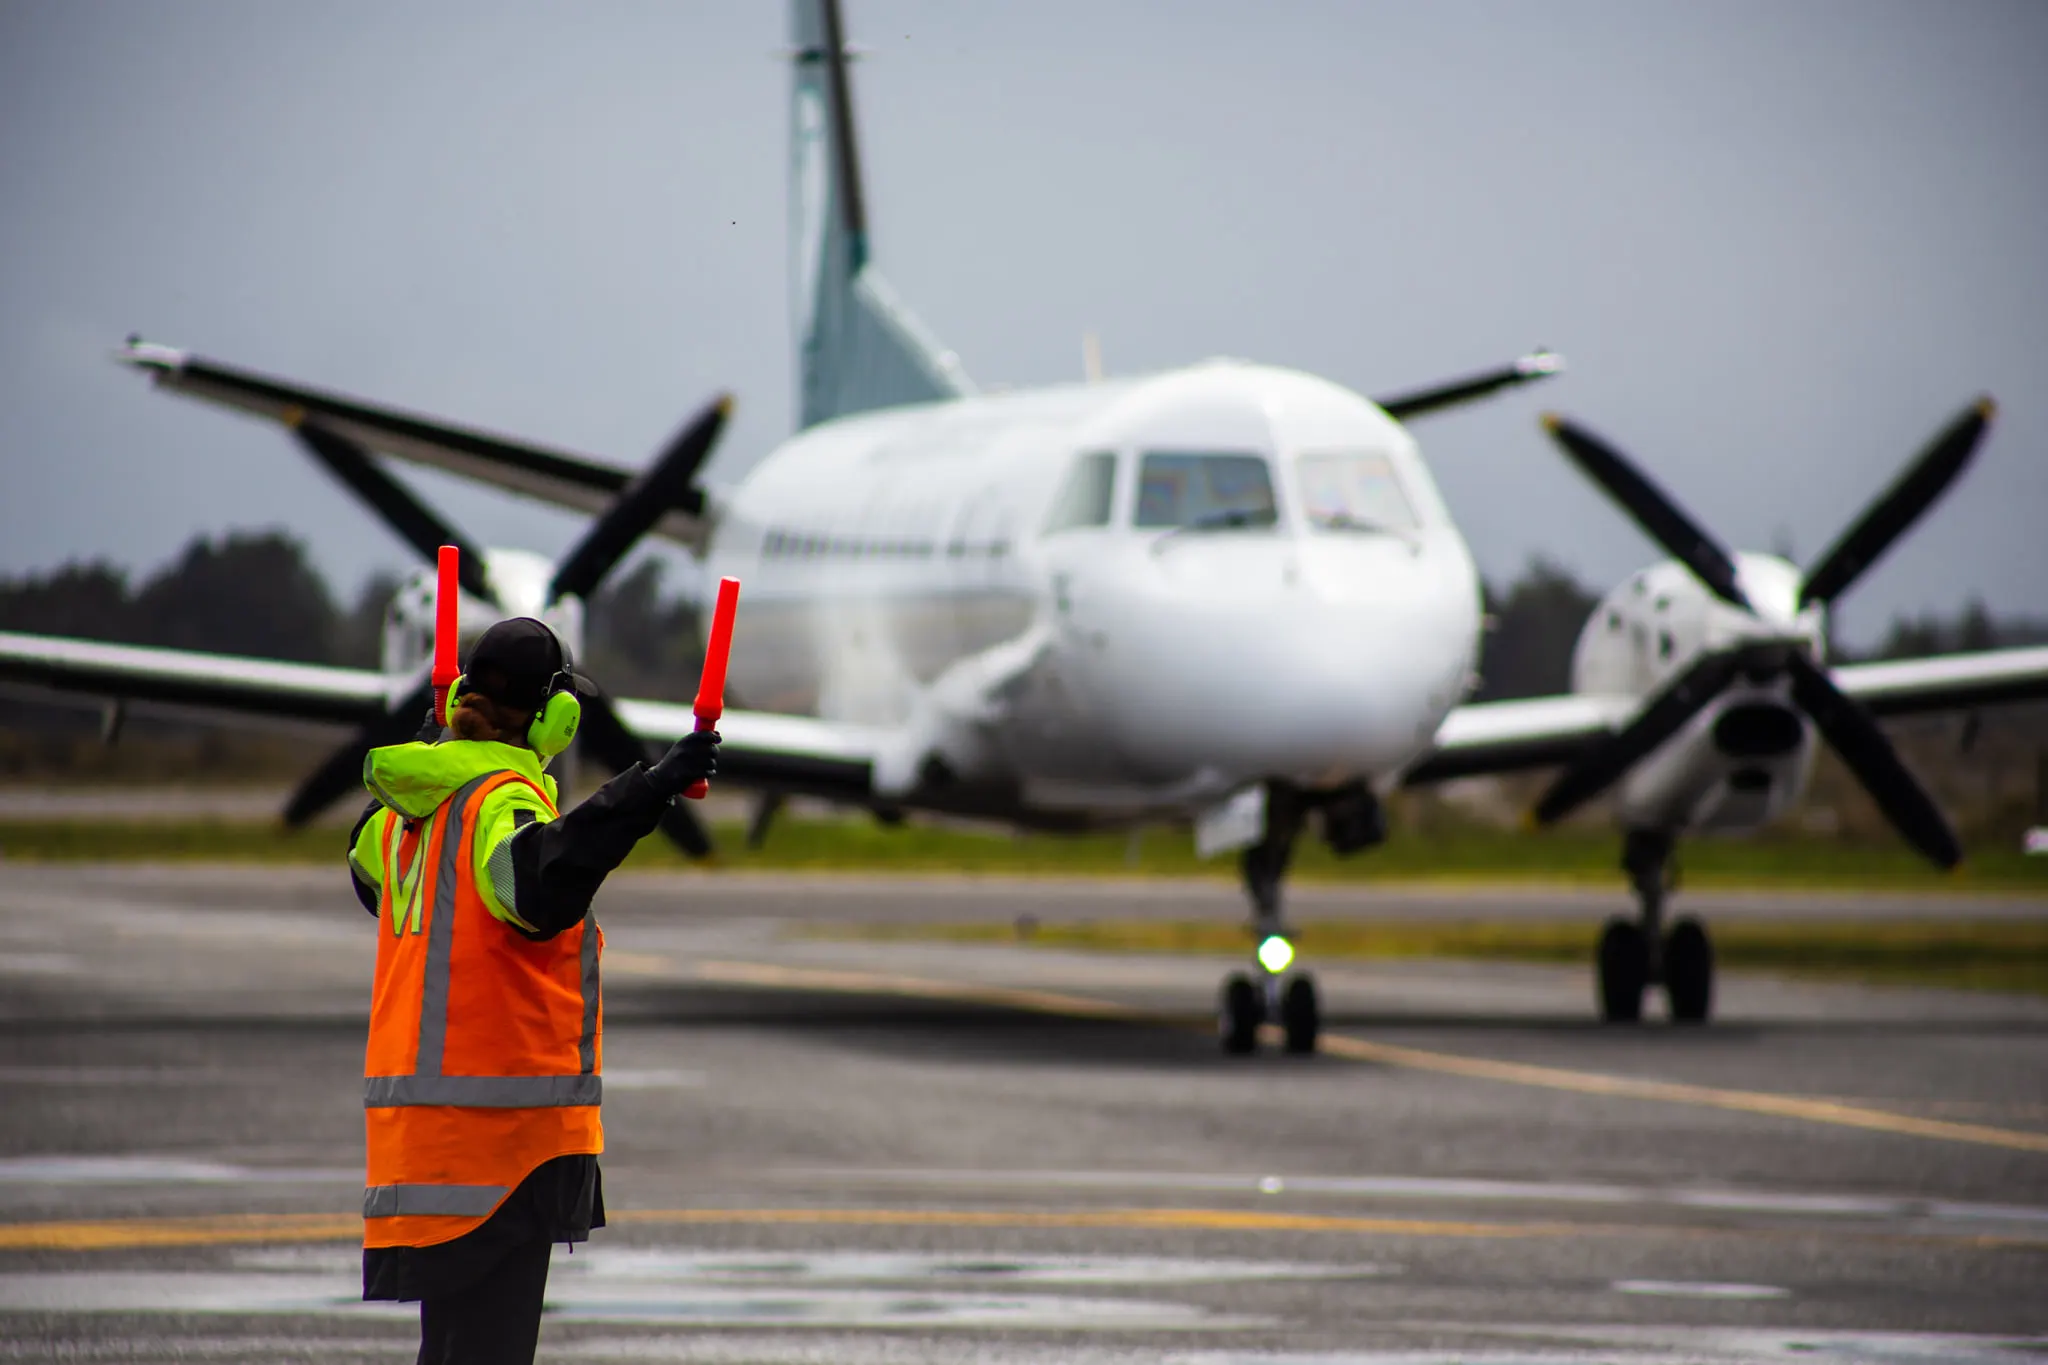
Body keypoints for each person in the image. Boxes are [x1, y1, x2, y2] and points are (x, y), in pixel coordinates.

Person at [344, 617, 719, 1364]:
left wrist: (434, 755)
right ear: (555, 717)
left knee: (448, 1349)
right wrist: (650, 787)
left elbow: (364, 868)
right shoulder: (499, 801)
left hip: (422, 1146)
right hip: (502, 1147)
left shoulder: (413, 810)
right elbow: (537, 884)